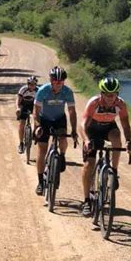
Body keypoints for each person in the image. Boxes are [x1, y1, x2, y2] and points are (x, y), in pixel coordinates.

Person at [80, 76, 131, 217]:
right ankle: (86, 201)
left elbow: (125, 124)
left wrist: (129, 141)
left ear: (117, 94)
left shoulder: (121, 104)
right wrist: (86, 140)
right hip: (92, 130)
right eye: (108, 95)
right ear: (102, 93)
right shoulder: (94, 103)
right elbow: (83, 124)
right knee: (88, 165)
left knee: (117, 138)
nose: (111, 98)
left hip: (108, 128)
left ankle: (114, 171)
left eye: (114, 94)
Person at [33, 66, 78, 196]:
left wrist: (74, 129)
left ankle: (62, 156)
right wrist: (37, 125)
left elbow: (71, 111)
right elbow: (35, 110)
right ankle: (41, 182)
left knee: (63, 138)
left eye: (61, 82)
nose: (58, 84)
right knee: (42, 149)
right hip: (44, 119)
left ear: (64, 82)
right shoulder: (43, 90)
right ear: (51, 81)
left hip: (59, 119)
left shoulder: (67, 92)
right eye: (56, 82)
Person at [16, 76, 38, 154]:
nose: (32, 86)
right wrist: (18, 108)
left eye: (34, 84)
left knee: (37, 119)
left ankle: (34, 133)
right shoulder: (23, 90)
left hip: (33, 106)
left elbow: (40, 104)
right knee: (22, 123)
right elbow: (18, 101)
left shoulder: (38, 91)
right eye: (30, 84)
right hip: (24, 106)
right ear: (28, 84)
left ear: (36, 84)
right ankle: (21, 143)